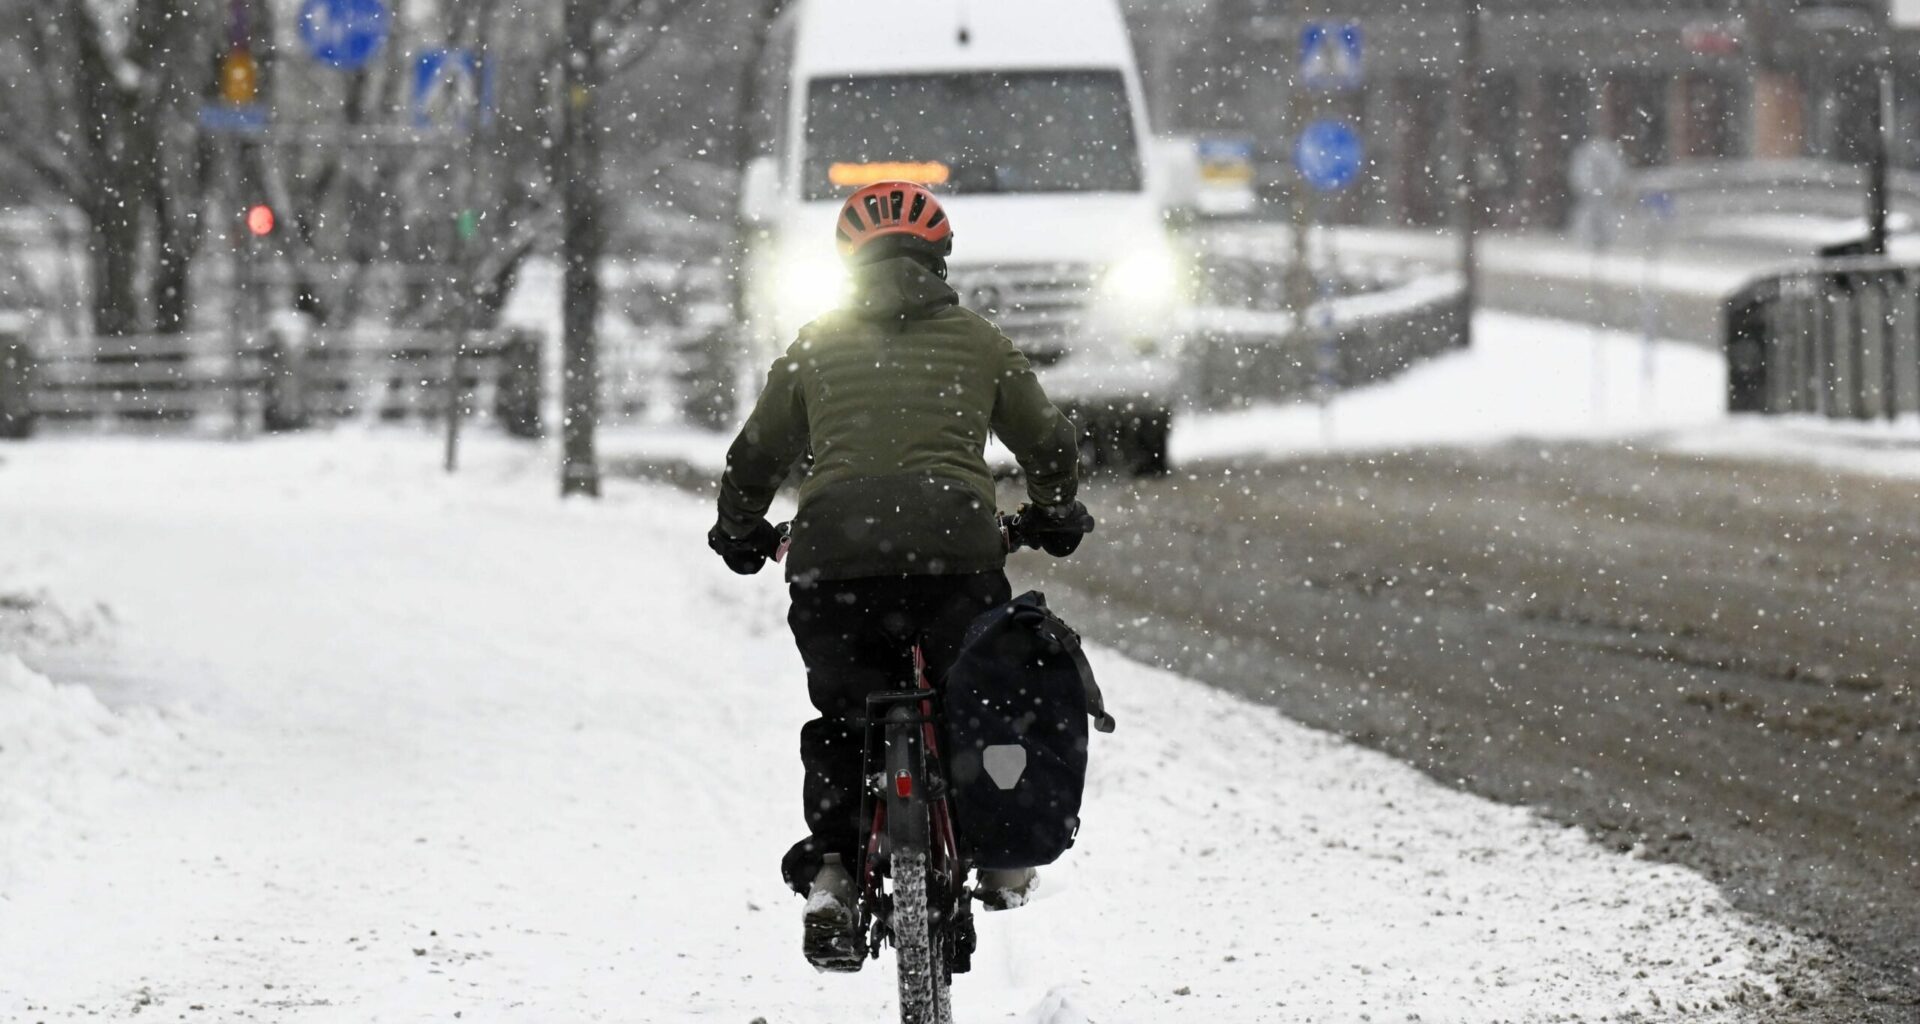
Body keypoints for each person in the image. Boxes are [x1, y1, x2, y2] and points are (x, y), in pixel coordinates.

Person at [707, 180, 1095, 971]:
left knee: (845, 719)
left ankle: (834, 877)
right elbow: (1049, 442)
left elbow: (754, 457)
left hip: (834, 563)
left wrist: (741, 530)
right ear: (939, 258)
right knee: (975, 699)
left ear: (848, 261)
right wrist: (1053, 512)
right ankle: (999, 854)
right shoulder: (980, 342)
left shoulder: (815, 344)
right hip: (957, 556)